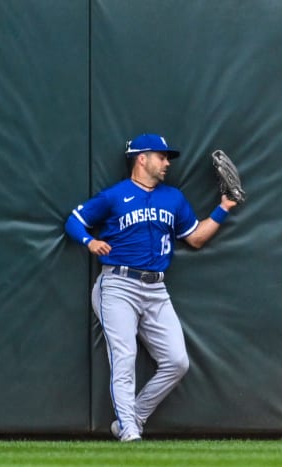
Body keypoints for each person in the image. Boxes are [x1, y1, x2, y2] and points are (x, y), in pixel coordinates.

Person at [65, 133, 237, 442]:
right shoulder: (114, 196)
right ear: (141, 158)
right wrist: (89, 241)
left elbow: (196, 238)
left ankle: (134, 417)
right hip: (117, 284)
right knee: (125, 355)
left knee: (177, 362)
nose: (167, 162)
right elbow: (74, 221)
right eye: (161, 156)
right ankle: (130, 433)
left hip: (156, 289)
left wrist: (224, 207)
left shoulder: (173, 198)